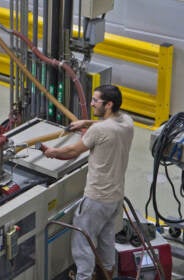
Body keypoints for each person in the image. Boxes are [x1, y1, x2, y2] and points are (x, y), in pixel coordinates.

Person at [44, 84, 134, 280]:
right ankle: (107, 275)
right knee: (106, 239)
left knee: (82, 242)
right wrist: (86, 122)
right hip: (115, 197)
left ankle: (83, 277)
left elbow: (72, 152)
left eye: (95, 101)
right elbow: (107, 125)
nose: (91, 103)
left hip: (96, 198)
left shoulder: (100, 130)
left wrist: (51, 152)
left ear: (108, 104)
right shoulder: (127, 122)